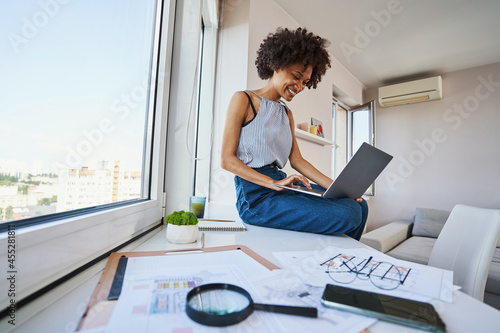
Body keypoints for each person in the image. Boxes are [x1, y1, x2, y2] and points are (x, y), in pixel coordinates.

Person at [221, 27, 367, 240]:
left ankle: (341, 260)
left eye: (305, 83)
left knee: (360, 207)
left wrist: (340, 189)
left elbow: (297, 161)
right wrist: (273, 183)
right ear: (277, 64)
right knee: (349, 213)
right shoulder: (243, 100)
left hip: (282, 185)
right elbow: (227, 160)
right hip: (255, 197)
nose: (299, 87)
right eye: (296, 77)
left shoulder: (286, 113)